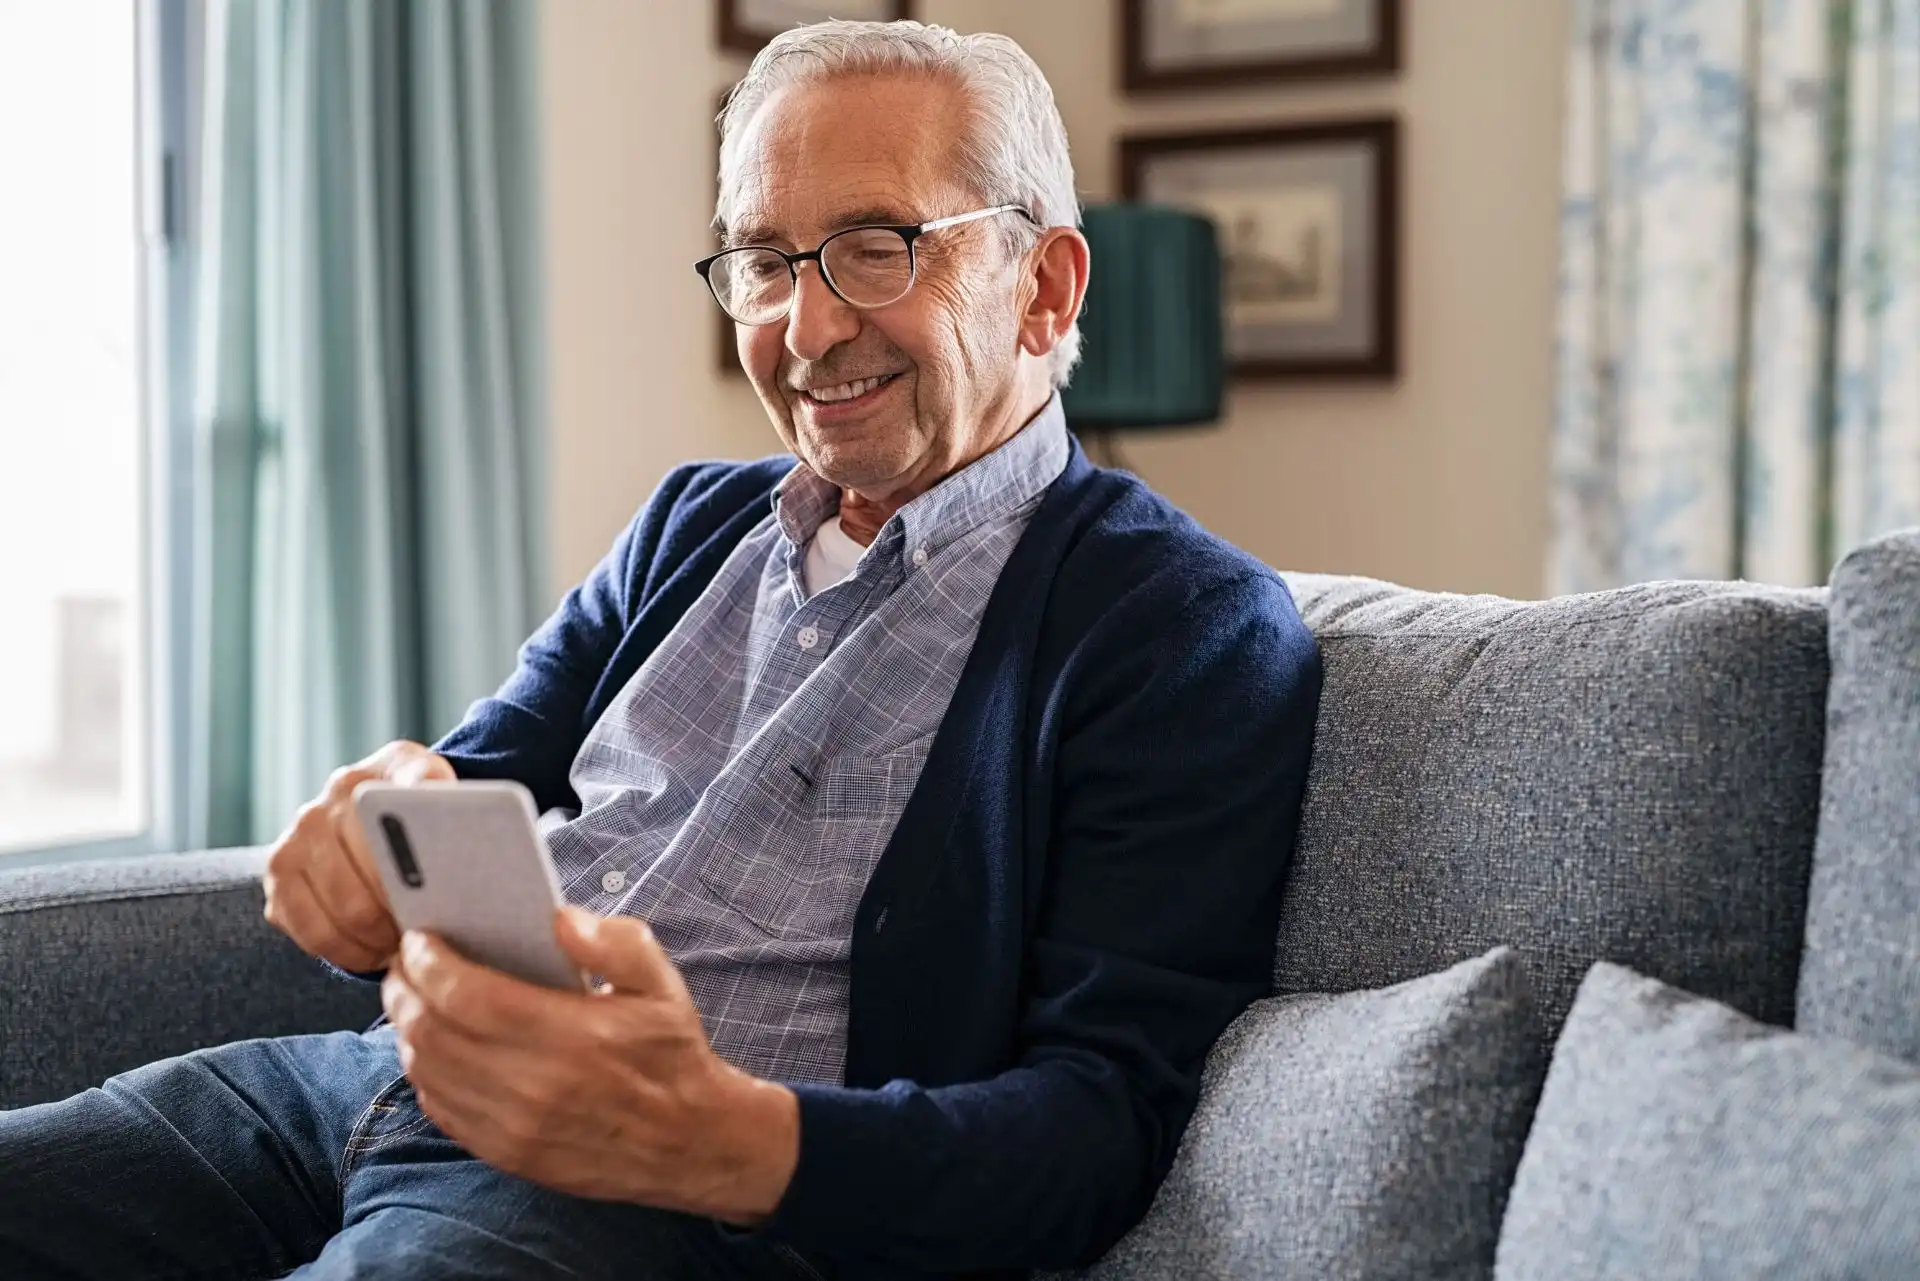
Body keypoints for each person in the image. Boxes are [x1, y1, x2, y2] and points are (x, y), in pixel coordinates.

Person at [0, 19, 1320, 1281]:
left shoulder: (1182, 632)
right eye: (764, 258)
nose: (804, 331)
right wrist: (371, 833)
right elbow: (478, 782)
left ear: (1043, 287)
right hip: (367, 1091)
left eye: (874, 247)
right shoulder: (693, 521)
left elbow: (1099, 1129)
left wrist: (716, 1139)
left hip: (674, 1214)